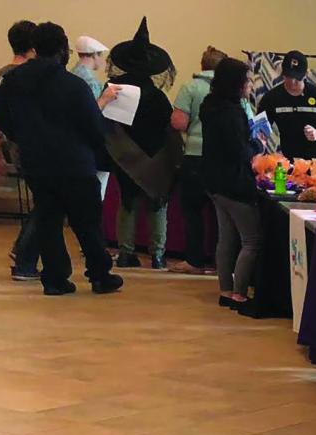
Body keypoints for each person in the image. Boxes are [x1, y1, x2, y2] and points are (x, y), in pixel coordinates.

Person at [0, 21, 122, 295]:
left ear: (35, 47)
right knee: (86, 222)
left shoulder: (14, 81)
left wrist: (23, 138)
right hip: (75, 162)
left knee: (48, 221)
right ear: (63, 49)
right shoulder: (73, 85)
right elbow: (93, 125)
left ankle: (54, 279)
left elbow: (2, 116)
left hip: (35, 162)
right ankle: (100, 275)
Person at [107, 17, 178, 271]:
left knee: (127, 203)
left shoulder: (115, 91)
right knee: (157, 203)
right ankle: (157, 256)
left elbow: (107, 125)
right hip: (155, 157)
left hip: (124, 156)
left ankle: (126, 253)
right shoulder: (158, 97)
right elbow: (168, 127)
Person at [200, 57, 264, 316]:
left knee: (226, 238)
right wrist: (257, 145)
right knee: (251, 241)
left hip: (213, 181)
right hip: (235, 183)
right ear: (237, 83)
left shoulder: (210, 105)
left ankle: (225, 290)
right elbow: (240, 151)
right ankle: (239, 293)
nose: (250, 85)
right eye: (247, 80)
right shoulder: (233, 112)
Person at [168, 46, 227, 274]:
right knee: (221, 214)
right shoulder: (230, 90)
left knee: (192, 210)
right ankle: (221, 262)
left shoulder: (190, 88)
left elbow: (178, 122)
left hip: (194, 156)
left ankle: (194, 260)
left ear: (202, 65)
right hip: (221, 159)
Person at [0, 20, 38, 280]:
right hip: (33, 147)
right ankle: (24, 249)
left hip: (9, 146)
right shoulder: (33, 76)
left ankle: (25, 248)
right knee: (46, 201)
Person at [256, 51, 316, 160]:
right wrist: (258, 153)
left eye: (297, 78)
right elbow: (259, 131)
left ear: (305, 75)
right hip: (291, 160)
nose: (292, 82)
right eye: (288, 77)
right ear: (282, 74)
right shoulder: (272, 98)